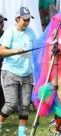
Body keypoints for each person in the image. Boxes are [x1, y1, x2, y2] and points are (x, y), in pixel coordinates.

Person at [0, 7, 36, 136]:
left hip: (27, 74)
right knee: (11, 104)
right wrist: (16, 50)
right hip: (10, 73)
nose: (26, 22)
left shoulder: (31, 33)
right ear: (17, 19)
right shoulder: (10, 32)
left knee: (25, 105)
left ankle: (21, 133)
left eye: (28, 20)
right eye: (24, 20)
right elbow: (1, 51)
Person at [0, 14, 7, 110]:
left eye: (2, 22)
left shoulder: (6, 34)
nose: (2, 25)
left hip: (5, 67)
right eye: (0, 23)